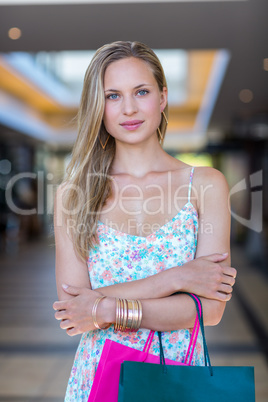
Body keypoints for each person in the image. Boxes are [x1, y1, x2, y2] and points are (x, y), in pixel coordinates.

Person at [53, 41, 237, 401]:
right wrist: (176, 279)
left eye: (141, 91)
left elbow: (211, 310)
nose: (130, 108)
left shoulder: (204, 185)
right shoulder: (73, 195)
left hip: (180, 381)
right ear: (98, 106)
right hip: (97, 380)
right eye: (113, 96)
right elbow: (73, 311)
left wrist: (104, 308)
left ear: (163, 97)